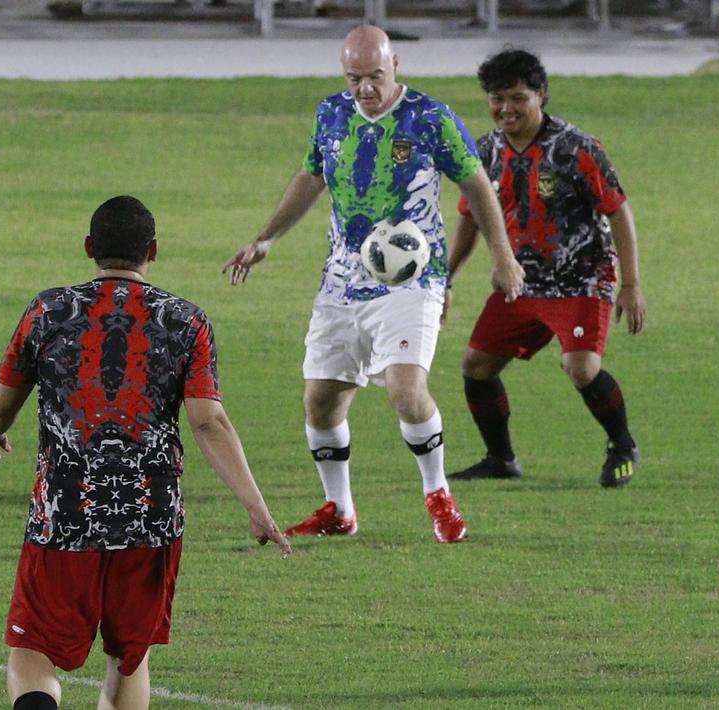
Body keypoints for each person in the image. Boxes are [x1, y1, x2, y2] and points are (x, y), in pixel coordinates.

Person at [0, 196, 291, 710]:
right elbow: (209, 421)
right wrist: (257, 508)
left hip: (65, 512)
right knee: (129, 657)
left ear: (90, 248)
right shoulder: (187, 321)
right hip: (151, 517)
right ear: (154, 251)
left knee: (32, 648)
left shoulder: (49, 310)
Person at [222, 25, 525, 543]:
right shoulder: (331, 114)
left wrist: (503, 255)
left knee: (406, 390)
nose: (365, 88)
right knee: (320, 401)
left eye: (375, 76)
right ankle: (339, 509)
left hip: (412, 280)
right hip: (342, 281)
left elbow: (476, 182)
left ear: (396, 65)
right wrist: (266, 237)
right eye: (354, 77)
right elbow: (311, 176)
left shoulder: (430, 119)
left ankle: (439, 496)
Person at [447, 48, 648, 487]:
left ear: (542, 95)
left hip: (582, 279)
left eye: (518, 97)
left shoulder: (578, 148)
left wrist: (630, 284)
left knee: (581, 369)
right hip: (521, 282)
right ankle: (500, 460)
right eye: (497, 98)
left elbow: (618, 212)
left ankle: (622, 445)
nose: (507, 108)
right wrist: (446, 279)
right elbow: (470, 219)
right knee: (476, 365)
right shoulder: (483, 151)